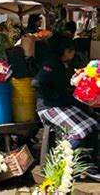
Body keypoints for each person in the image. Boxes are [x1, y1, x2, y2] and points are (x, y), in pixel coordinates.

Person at [32, 34, 98, 172]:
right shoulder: (51, 63)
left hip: (62, 106)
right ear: (66, 51)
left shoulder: (60, 63)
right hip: (48, 108)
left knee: (93, 125)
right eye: (72, 51)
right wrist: (54, 96)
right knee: (79, 131)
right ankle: (57, 164)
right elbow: (37, 83)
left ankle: (88, 165)